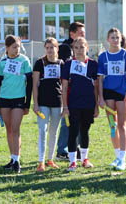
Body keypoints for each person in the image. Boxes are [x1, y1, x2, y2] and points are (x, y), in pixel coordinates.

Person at [98, 28, 126, 170]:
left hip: (122, 93)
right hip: (108, 94)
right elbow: (100, 79)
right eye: (112, 37)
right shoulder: (103, 57)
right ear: (108, 40)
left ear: (121, 39)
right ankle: (116, 156)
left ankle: (123, 159)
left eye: (117, 37)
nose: (115, 40)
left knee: (122, 125)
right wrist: (100, 98)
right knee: (112, 127)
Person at [0, 35, 32, 173]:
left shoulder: (24, 60)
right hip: (4, 98)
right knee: (9, 129)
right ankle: (12, 158)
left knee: (16, 129)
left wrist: (27, 103)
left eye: (18, 46)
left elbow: (29, 84)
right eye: (14, 47)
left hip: (18, 98)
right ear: (7, 48)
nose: (17, 49)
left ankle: (17, 161)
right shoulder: (2, 62)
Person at [61, 37, 98, 172]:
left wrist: (96, 105)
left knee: (85, 131)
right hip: (73, 103)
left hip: (88, 103)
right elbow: (64, 87)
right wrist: (65, 106)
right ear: (72, 49)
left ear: (87, 48)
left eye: (82, 47)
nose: (79, 50)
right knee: (73, 131)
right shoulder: (68, 64)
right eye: (76, 47)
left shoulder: (93, 64)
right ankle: (72, 162)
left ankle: (84, 159)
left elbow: (96, 86)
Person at [33, 37, 64, 172]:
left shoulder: (62, 63)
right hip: (43, 102)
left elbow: (64, 84)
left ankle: (50, 159)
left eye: (52, 47)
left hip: (57, 101)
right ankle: (41, 161)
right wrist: (35, 103)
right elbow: (34, 84)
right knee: (42, 130)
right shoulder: (40, 63)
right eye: (47, 48)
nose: (50, 50)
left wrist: (66, 105)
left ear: (57, 48)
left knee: (54, 131)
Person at [56, 22, 85, 161]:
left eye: (84, 33)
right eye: (81, 33)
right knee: (66, 120)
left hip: (80, 90)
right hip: (67, 90)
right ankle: (62, 150)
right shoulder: (65, 48)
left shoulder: (82, 48)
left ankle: (76, 148)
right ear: (72, 34)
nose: (83, 35)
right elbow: (62, 70)